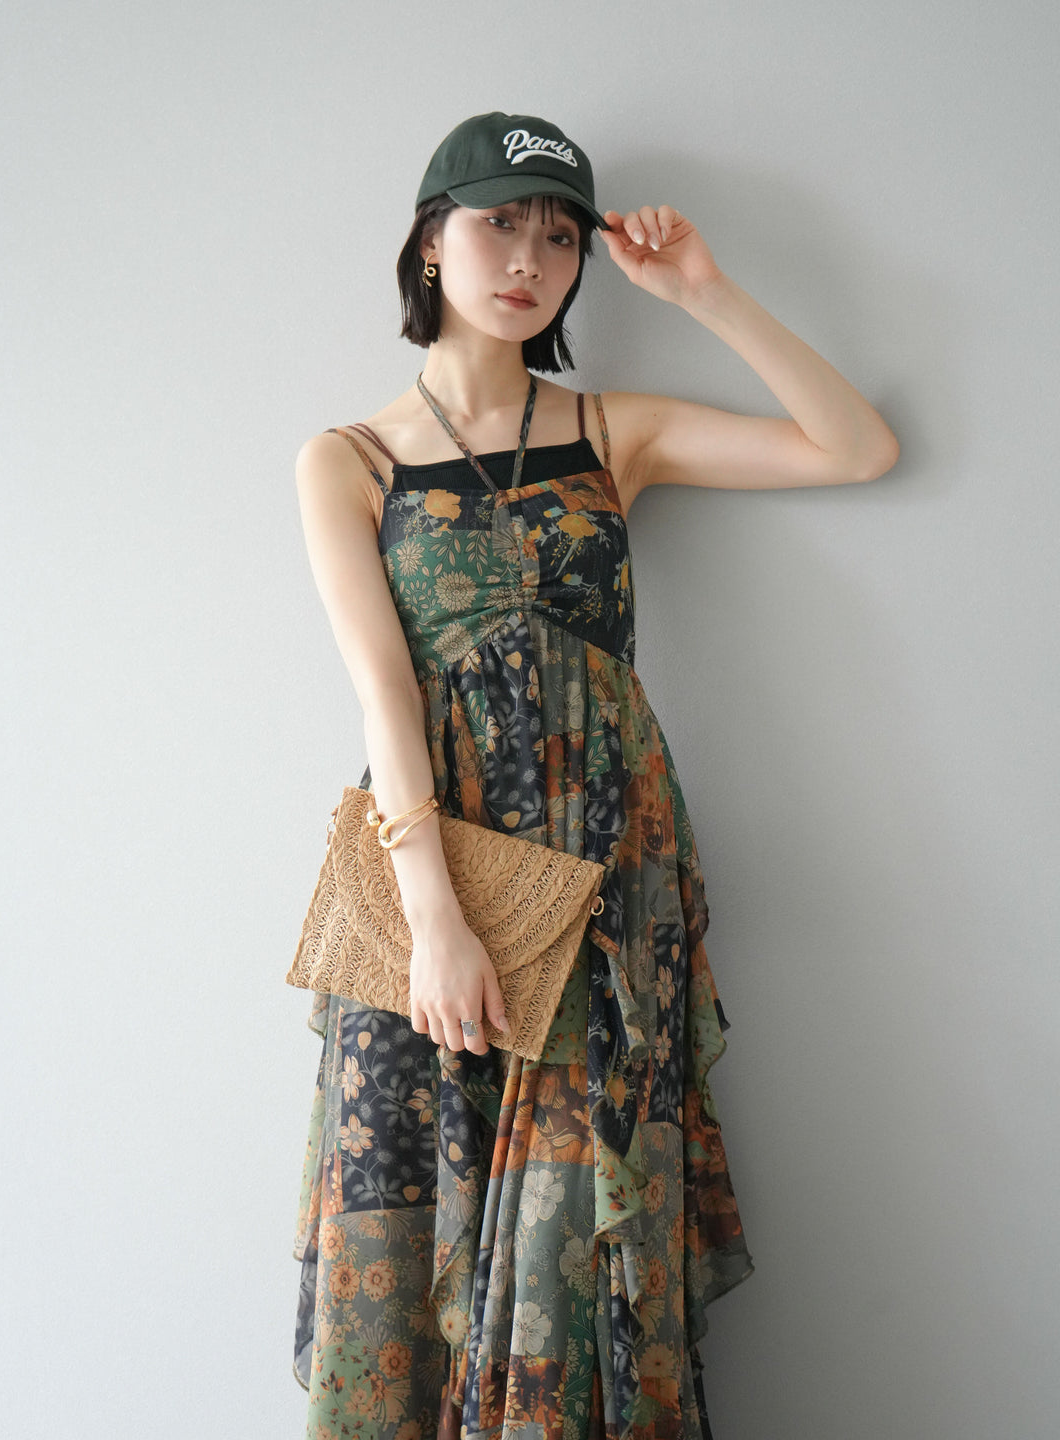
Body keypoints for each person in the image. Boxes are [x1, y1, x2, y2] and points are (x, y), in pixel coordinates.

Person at [290, 111, 900, 1440]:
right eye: (499, 222)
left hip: (609, 886)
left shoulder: (614, 432)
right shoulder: (350, 460)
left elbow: (855, 447)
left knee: (576, 1247)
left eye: (561, 236)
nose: (531, 258)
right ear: (431, 240)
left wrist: (703, 293)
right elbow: (386, 699)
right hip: (435, 887)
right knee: (414, 1236)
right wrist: (438, 925)